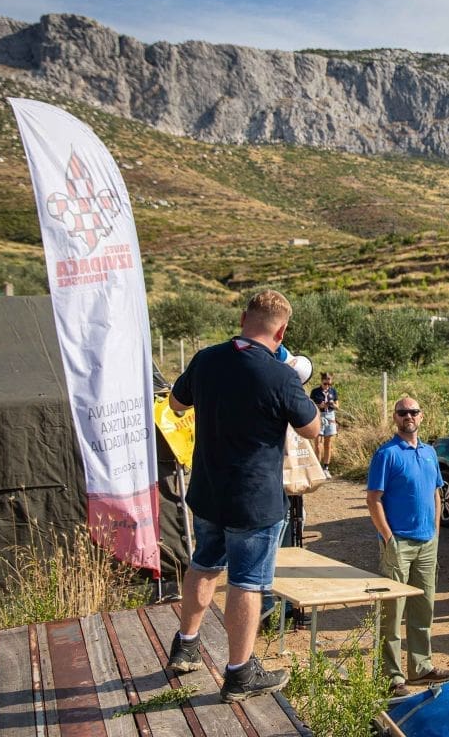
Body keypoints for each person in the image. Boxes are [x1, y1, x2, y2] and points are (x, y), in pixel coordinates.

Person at [165, 290, 320, 703]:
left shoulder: (206, 358)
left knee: (203, 564)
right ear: (282, 330)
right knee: (247, 583)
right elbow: (313, 429)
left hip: (208, 490)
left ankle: (186, 643)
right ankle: (239, 673)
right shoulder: (280, 374)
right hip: (253, 500)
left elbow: (178, 403)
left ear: (242, 318)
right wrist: (291, 376)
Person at [367, 396, 449, 695]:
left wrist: (436, 533)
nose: (409, 416)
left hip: (427, 542)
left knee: (423, 605)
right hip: (398, 543)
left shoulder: (430, 453)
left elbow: (437, 494)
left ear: (421, 416)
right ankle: (392, 676)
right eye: (403, 412)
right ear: (395, 417)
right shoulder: (386, 454)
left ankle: (420, 666)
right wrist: (388, 538)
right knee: (392, 610)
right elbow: (373, 500)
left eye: (413, 412)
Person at [309, 372, 339, 474]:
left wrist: (333, 404)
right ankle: (317, 467)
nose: (327, 386)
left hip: (330, 415)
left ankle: (326, 468)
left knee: (328, 444)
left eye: (329, 384)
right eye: (325, 384)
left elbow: (338, 406)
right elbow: (310, 405)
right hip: (319, 416)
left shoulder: (333, 391)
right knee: (317, 444)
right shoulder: (315, 392)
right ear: (321, 381)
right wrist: (319, 405)